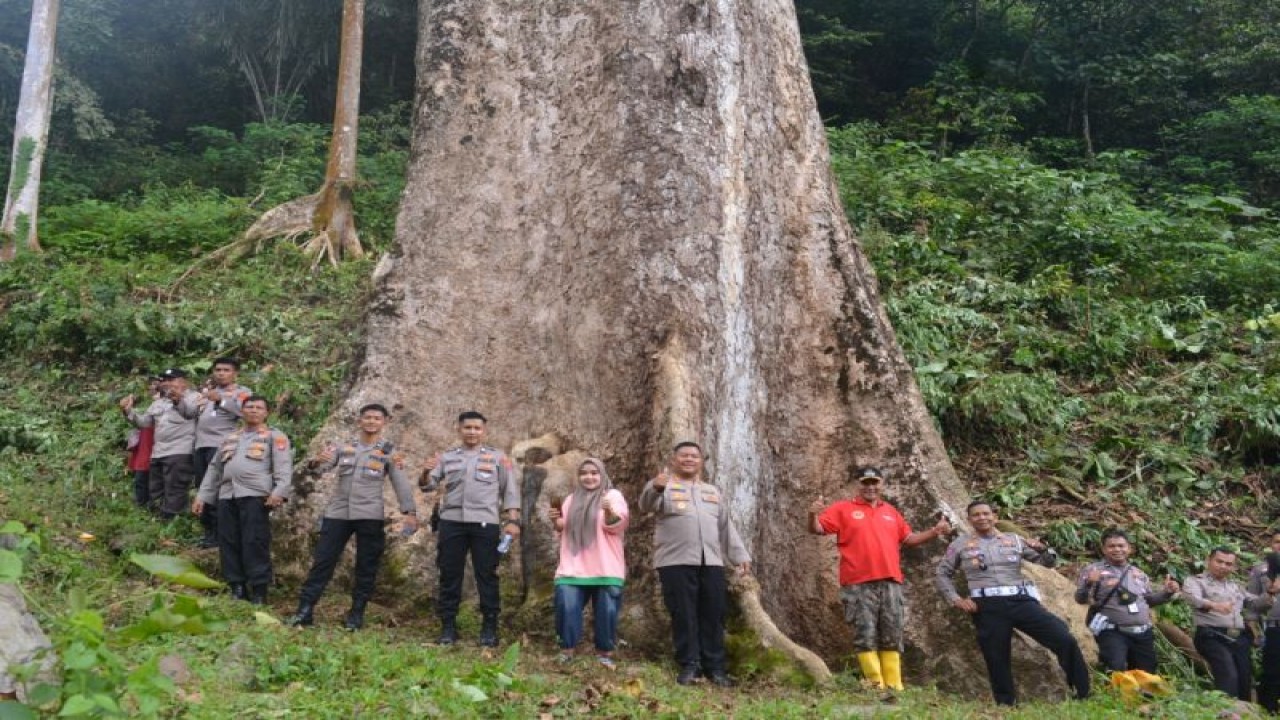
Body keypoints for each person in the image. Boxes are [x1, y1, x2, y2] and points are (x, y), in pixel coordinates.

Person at [807, 466, 950, 691]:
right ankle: (875, 685)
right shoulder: (843, 509)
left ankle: (894, 685)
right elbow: (817, 529)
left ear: (881, 484)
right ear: (857, 485)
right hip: (858, 582)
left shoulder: (890, 511)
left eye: (875, 482)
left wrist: (935, 531)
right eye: (865, 483)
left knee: (892, 632)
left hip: (891, 581)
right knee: (864, 633)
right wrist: (812, 514)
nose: (870, 487)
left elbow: (909, 538)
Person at [935, 500, 1090, 706]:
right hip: (987, 605)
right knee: (996, 656)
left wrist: (1044, 549)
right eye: (976, 515)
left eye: (986, 513)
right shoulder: (960, 544)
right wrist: (956, 599)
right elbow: (942, 573)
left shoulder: (1014, 540)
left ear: (995, 517)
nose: (982, 518)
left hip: (1020, 601)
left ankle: (1082, 692)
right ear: (969, 520)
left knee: (1063, 637)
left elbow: (1047, 563)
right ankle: (1006, 704)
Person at [287, 404, 418, 630]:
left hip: (370, 515)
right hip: (338, 513)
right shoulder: (344, 447)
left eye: (376, 418)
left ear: (384, 422)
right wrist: (316, 461)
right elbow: (319, 470)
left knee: (366, 565)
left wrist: (409, 512)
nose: (371, 421)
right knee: (323, 561)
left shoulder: (389, 452)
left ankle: (356, 615)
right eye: (367, 417)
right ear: (359, 420)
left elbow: (401, 483)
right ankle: (304, 610)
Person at [638, 441, 751, 687]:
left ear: (701, 462)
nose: (689, 459)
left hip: (711, 561)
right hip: (675, 561)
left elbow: (725, 526)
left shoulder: (711, 491)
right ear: (674, 460)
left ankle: (715, 668)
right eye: (684, 455)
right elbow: (644, 505)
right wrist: (656, 488)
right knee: (683, 613)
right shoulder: (663, 485)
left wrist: (739, 555)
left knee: (714, 613)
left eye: (694, 456)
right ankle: (690, 665)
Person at [419, 411, 521, 647]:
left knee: (487, 574)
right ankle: (448, 626)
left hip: (485, 523)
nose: (472, 432)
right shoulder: (446, 458)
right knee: (449, 573)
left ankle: (489, 627)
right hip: (452, 522)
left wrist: (513, 521)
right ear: (459, 429)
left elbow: (510, 491)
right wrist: (425, 471)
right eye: (467, 428)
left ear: (484, 431)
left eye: (477, 428)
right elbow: (427, 486)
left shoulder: (498, 458)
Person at [192, 395, 292, 604]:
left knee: (254, 541)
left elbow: (283, 466)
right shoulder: (231, 438)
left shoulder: (274, 436)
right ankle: (236, 586)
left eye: (258, 408)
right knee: (228, 541)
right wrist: (202, 496)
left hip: (255, 495)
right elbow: (214, 469)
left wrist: (279, 491)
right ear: (242, 412)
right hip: (227, 495)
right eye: (249, 407)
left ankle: (259, 589)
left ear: (266, 413)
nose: (253, 410)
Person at [549, 457, 629, 667]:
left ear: (602, 475)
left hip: (605, 566)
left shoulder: (612, 495)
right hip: (573, 565)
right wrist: (555, 520)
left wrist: (609, 511)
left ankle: (604, 654)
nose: (589, 477)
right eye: (584, 473)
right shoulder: (570, 499)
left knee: (607, 612)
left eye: (594, 473)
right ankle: (566, 651)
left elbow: (617, 525)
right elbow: (564, 528)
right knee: (566, 605)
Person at [1073, 528, 1180, 673]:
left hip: (1142, 633)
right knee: (1116, 669)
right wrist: (1089, 583)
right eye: (1111, 546)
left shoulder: (1138, 573)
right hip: (1112, 631)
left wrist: (1167, 593)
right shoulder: (1093, 570)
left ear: (1129, 548)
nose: (1117, 549)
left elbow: (1148, 600)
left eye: (1121, 545)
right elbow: (1080, 599)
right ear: (1104, 549)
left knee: (1146, 674)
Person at [1183, 546, 1275, 702]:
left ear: (1233, 567)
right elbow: (1191, 598)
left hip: (1238, 638)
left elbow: (1253, 604)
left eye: (1228, 564)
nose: (1223, 566)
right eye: (1219, 561)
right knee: (1228, 673)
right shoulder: (1196, 581)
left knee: (1244, 678)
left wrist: (1271, 593)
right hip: (1211, 636)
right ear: (1209, 560)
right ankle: (1226, 710)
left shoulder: (1235, 586)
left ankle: (1243, 711)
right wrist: (1214, 605)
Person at [120, 368, 201, 520]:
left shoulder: (194, 397)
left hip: (180, 451)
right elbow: (145, 423)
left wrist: (178, 400)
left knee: (175, 487)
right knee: (156, 488)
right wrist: (128, 411)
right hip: (158, 451)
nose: (166, 383)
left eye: (171, 379)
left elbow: (191, 413)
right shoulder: (159, 402)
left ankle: (173, 522)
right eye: (164, 380)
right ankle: (159, 520)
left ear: (183, 382)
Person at [192, 358, 253, 549]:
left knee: (218, 489)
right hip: (201, 446)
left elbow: (246, 412)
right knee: (203, 488)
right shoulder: (210, 392)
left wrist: (222, 400)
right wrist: (179, 401)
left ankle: (221, 533)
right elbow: (192, 414)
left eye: (226, 370)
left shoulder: (242, 392)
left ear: (235, 373)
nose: (221, 373)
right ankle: (209, 532)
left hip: (222, 446)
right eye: (218, 369)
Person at [1248, 533, 1280, 713]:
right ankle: (1268, 711)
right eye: (1277, 542)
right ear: (1271, 544)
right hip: (1275, 628)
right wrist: (1253, 628)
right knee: (1272, 673)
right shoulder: (1260, 570)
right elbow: (1251, 603)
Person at [124, 378, 160, 508]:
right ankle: (142, 504)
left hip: (156, 445)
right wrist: (128, 409)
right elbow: (141, 421)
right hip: (144, 445)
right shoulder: (150, 407)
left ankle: (151, 504)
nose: (152, 389)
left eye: (155, 386)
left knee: (151, 477)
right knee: (141, 476)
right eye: (151, 386)